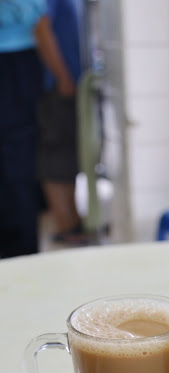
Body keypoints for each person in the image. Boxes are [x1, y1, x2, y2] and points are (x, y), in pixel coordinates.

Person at [0, 0, 75, 258]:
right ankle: (19, 255)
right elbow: (40, 25)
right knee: (18, 163)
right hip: (13, 67)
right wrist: (63, 77)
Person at [37, 0, 85, 244]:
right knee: (55, 153)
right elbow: (40, 27)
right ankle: (64, 225)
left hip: (70, 84)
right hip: (56, 85)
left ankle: (74, 219)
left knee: (68, 154)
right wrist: (62, 76)